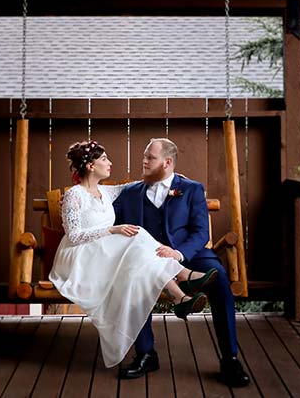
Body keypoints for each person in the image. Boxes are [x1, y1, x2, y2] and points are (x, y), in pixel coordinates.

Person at [49, 140, 218, 369]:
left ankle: (180, 296)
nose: (110, 163)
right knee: (136, 237)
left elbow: (140, 184)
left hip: (104, 253)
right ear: (90, 166)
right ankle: (183, 279)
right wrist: (112, 229)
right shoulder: (74, 196)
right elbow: (75, 235)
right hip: (79, 257)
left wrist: (173, 175)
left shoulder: (106, 191)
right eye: (104, 159)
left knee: (138, 242)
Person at [112, 138, 251, 387]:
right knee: (131, 279)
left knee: (219, 279)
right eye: (144, 156)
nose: (143, 161)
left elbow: (201, 233)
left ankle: (230, 359)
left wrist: (178, 254)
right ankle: (146, 354)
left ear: (167, 162)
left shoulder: (192, 189)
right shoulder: (129, 193)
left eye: (150, 157)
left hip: (191, 256)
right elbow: (107, 217)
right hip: (144, 260)